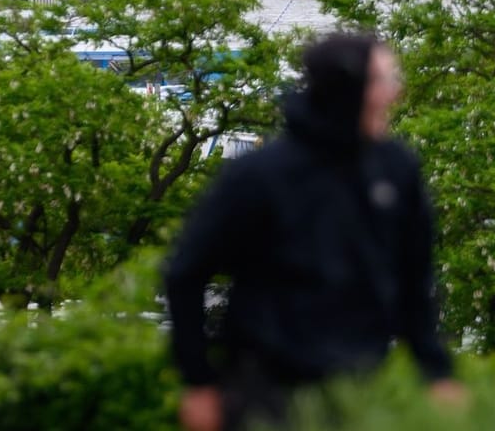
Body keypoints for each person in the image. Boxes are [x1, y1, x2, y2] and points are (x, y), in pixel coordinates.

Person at [164, 33, 461, 431]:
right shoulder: (261, 176)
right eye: (384, 81)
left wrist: (436, 372)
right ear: (348, 90)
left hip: (361, 382)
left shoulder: (396, 169)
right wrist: (198, 379)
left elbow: (415, 277)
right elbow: (186, 272)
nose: (396, 93)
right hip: (266, 383)